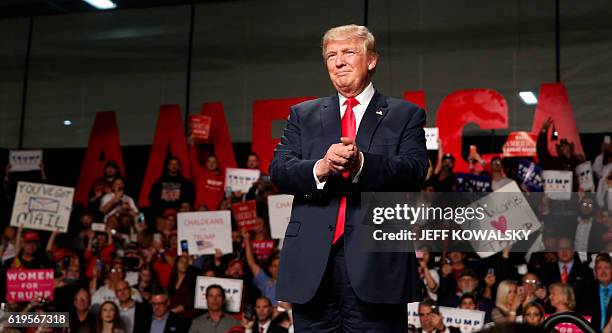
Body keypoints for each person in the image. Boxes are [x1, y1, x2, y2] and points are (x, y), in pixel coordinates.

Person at [269, 24, 427, 332]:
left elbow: (414, 170)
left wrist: (362, 165)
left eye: (348, 52)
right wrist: (322, 167)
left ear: (371, 60)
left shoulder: (404, 114)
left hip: (377, 266)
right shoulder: (303, 114)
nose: (338, 61)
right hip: (312, 265)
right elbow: (279, 170)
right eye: (331, 55)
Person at [592, 253, 612, 332]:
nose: (603, 271)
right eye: (599, 268)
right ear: (595, 272)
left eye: (607, 268)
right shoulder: (587, 292)